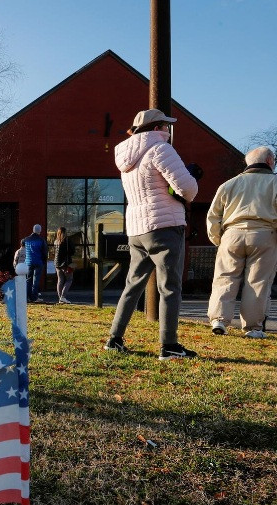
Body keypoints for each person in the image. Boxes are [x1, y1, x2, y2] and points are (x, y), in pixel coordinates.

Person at [104, 108, 198, 360]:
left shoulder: (125, 157)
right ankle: (169, 346)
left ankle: (114, 339)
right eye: (166, 126)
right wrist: (191, 180)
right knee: (169, 287)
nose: (168, 130)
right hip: (165, 226)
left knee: (132, 285)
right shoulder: (161, 149)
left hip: (136, 229)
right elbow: (187, 189)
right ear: (157, 128)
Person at [206, 147, 277, 338]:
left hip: (232, 233)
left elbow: (213, 215)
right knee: (257, 282)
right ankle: (252, 327)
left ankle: (219, 319)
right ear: (270, 161)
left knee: (225, 277)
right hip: (265, 234)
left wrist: (218, 238)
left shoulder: (229, 184)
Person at [21, 224, 48, 302]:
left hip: (28, 262)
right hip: (38, 262)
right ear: (40, 231)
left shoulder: (26, 240)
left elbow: (22, 245)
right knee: (35, 280)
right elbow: (45, 252)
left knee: (28, 280)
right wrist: (44, 261)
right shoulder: (41, 240)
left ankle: (27, 297)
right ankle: (34, 297)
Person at [54, 227, 74, 304]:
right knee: (69, 279)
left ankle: (60, 298)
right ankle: (63, 296)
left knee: (60, 280)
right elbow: (72, 251)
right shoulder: (67, 241)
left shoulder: (56, 241)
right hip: (66, 263)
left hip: (57, 263)